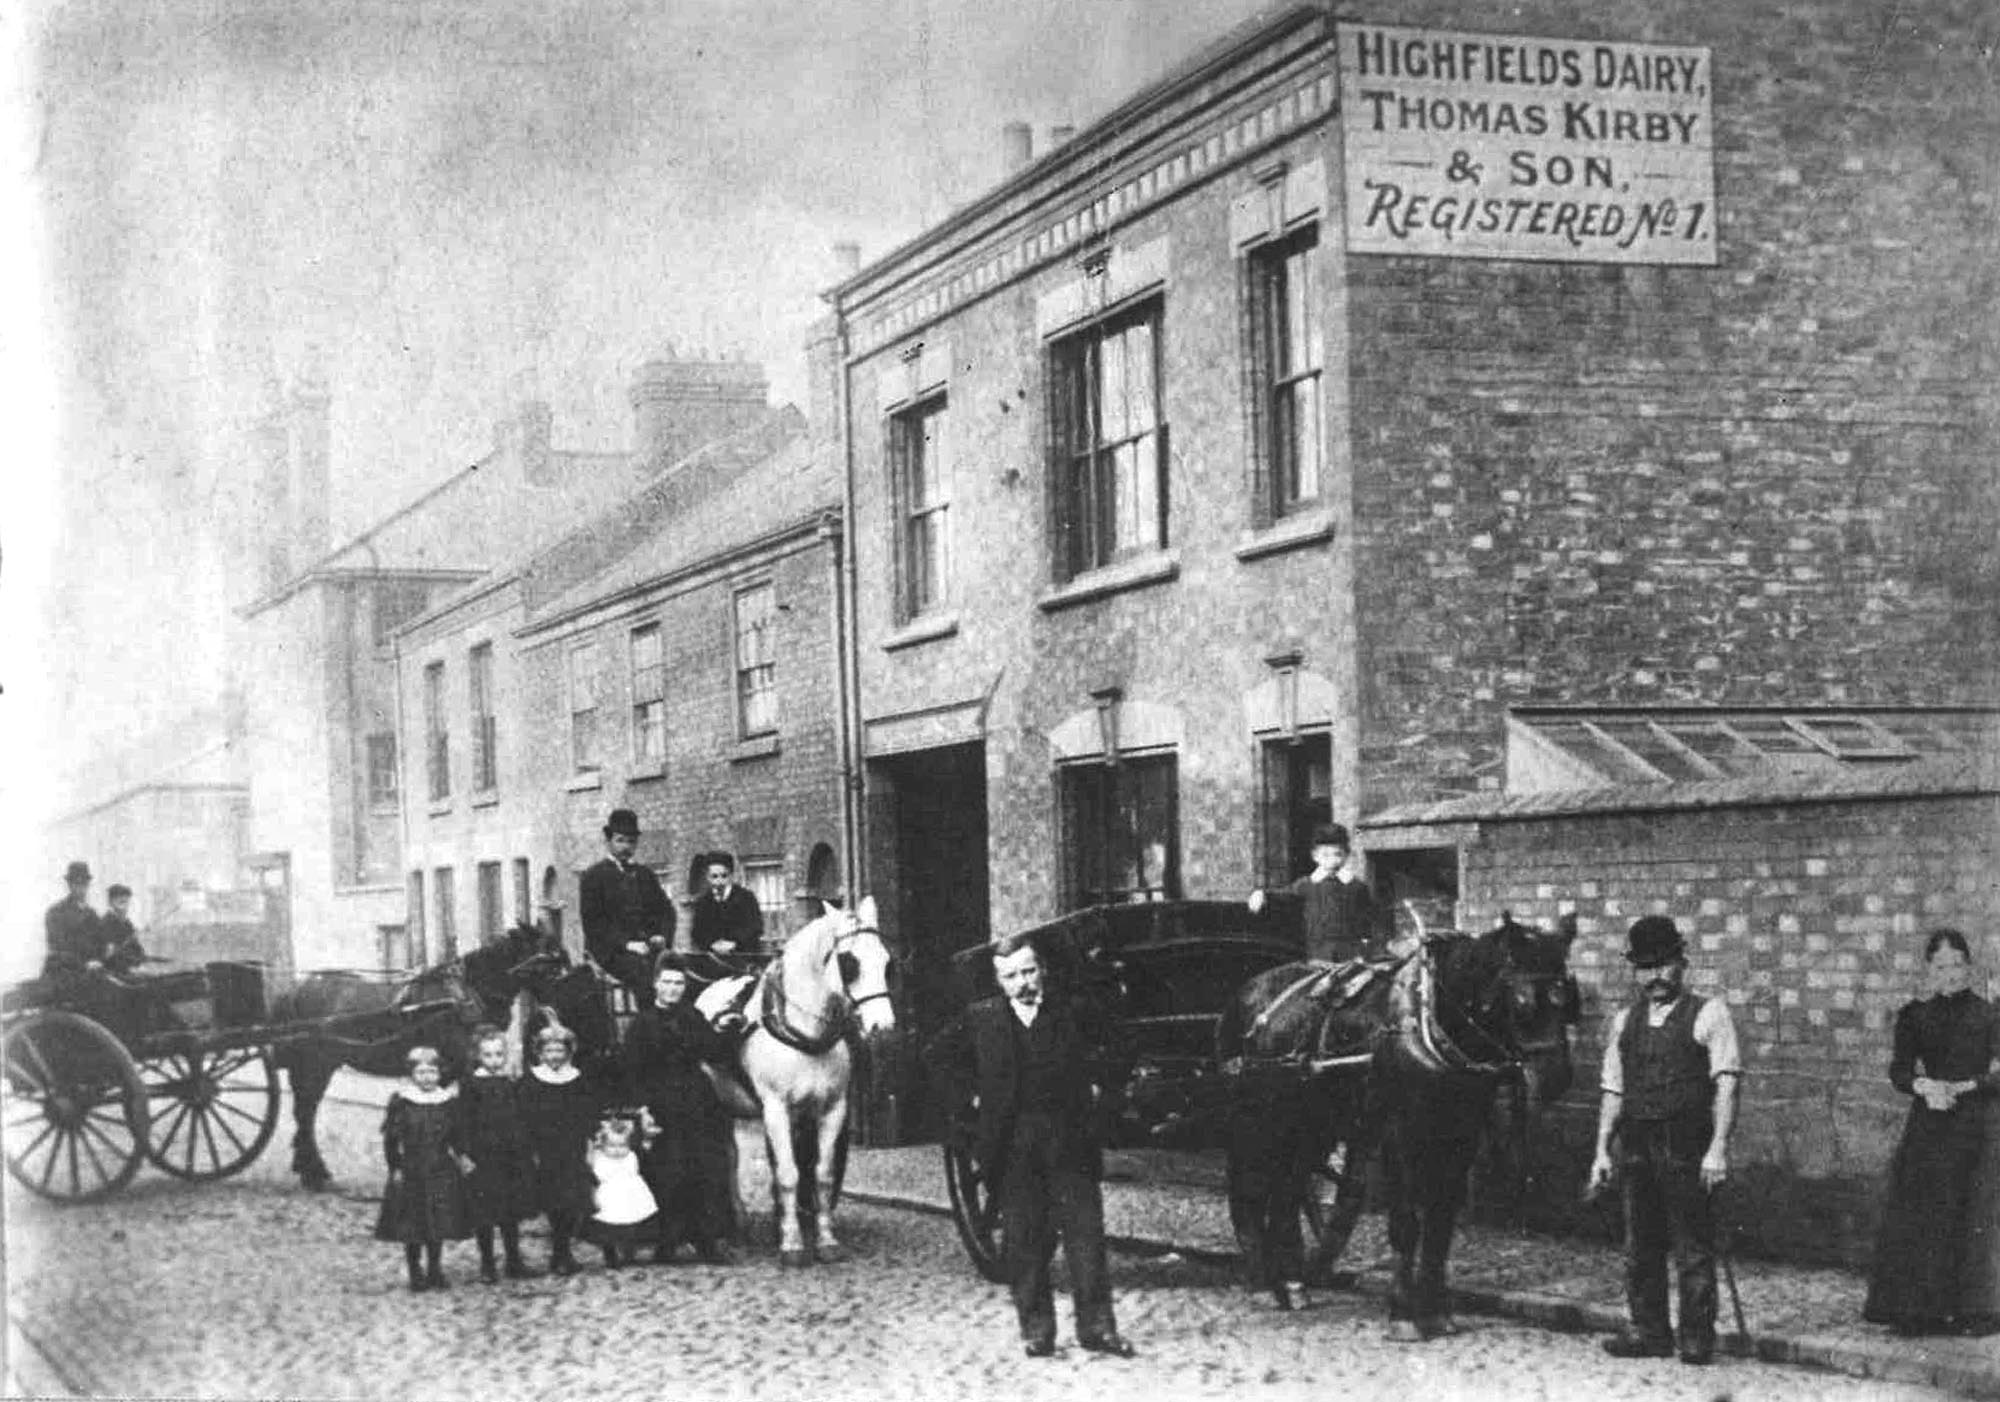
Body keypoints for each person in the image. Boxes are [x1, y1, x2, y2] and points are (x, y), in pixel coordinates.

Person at [926, 932, 1137, 1360]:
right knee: (1024, 1240)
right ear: (998, 981)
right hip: (1012, 1146)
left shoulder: (1072, 1012)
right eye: (1011, 976)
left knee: (1086, 1237)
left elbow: (1122, 1044)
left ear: (1042, 970)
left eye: (1028, 971)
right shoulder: (981, 1019)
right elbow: (937, 1056)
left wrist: (1102, 1088)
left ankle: (1097, 1328)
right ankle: (1037, 1331)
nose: (1023, 983)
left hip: (1070, 1140)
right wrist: (968, 1099)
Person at [1587, 915, 1743, 1366]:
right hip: (1636, 1144)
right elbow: (1613, 1089)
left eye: (1663, 965)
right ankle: (1648, 1331)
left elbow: (1727, 1085)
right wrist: (1601, 1149)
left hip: (1686, 1144)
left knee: (1692, 1246)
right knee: (1640, 1246)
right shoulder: (1625, 1022)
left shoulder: (1709, 1013)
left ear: (1682, 963)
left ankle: (1696, 1338)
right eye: (1644, 967)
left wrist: (1717, 1148)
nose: (1654, 976)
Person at [1863, 928, 2000, 1336]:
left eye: (1957, 965)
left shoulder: (1991, 1015)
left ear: (1969, 967)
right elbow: (1900, 1070)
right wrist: (1924, 1086)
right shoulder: (1916, 1016)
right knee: (1924, 1213)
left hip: (1977, 1125)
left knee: (1973, 1213)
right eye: (1941, 967)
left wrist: (1966, 1087)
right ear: (1929, 970)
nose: (1950, 974)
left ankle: (1975, 1312)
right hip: (1931, 1127)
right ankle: (1917, 1311)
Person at [626, 962, 738, 1263]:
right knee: (667, 1172)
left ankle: (707, 1242)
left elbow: (714, 1052)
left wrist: (727, 1030)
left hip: (696, 1101)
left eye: (678, 983)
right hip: (661, 1103)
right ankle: (667, 1242)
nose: (673, 988)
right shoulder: (642, 1023)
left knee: (705, 1170)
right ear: (656, 985)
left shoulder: (693, 1018)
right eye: (667, 982)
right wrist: (642, 1109)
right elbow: (632, 1070)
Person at [373, 1045, 471, 1292]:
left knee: (437, 1223)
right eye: (421, 1072)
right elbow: (391, 1140)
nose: (427, 1078)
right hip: (412, 1170)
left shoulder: (447, 1102)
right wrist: (395, 1166)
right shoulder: (403, 1102)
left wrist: (463, 1156)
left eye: (432, 1072)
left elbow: (456, 1135)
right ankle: (415, 1271)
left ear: (440, 1074)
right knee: (413, 1225)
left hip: (440, 1169)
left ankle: (435, 1269)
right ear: (412, 1075)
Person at [518, 1025, 600, 1276]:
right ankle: (559, 1251)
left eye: (559, 1050)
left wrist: (589, 1143)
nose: (554, 1056)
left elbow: (588, 1114)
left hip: (572, 1146)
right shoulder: (531, 1080)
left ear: (568, 1052)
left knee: (572, 1199)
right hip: (544, 1148)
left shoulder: (577, 1078)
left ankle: (563, 1251)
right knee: (552, 1200)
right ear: (539, 1052)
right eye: (549, 1051)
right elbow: (523, 1116)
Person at [458, 1026, 537, 1282]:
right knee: (485, 1213)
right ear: (479, 1056)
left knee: (510, 1211)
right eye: (488, 1055)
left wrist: (526, 1150)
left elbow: (522, 1118)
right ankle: (487, 1263)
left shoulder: (511, 1082)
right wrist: (465, 1155)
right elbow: (463, 1122)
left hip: (510, 1156)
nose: (494, 1060)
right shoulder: (471, 1084)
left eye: (498, 1054)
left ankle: (514, 1260)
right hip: (483, 1158)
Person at [1246, 823, 1389, 964]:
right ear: (1315, 856)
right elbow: (1284, 895)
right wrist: (1262, 894)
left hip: (1351, 956)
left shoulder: (1357, 887)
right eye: (1325, 855)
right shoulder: (1307, 885)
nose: (1332, 861)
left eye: (1338, 854)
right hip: (1318, 955)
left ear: (1347, 855)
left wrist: (1365, 946)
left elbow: (1368, 919)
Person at [579, 809, 676, 1006]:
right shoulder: (594, 876)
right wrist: (627, 944)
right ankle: (649, 1026)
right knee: (644, 975)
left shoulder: (645, 874)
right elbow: (594, 925)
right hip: (610, 952)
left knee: (676, 970)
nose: (626, 847)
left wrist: (662, 936)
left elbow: (666, 910)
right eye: (620, 840)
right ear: (609, 840)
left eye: (631, 842)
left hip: (648, 947)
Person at [582, 1114, 660, 1269]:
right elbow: (597, 1176)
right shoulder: (600, 1159)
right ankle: (610, 1252)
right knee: (608, 1226)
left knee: (632, 1222)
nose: (617, 1151)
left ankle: (629, 1250)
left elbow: (636, 1170)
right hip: (610, 1197)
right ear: (603, 1145)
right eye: (612, 1146)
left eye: (622, 1146)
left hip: (630, 1195)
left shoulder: (631, 1157)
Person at [688, 851, 766, 959]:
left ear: (731, 876)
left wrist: (734, 943)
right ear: (708, 877)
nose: (719, 881)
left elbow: (756, 927)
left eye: (724, 876)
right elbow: (697, 932)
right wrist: (712, 944)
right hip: (713, 959)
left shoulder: (746, 897)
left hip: (743, 957)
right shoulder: (703, 902)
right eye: (714, 876)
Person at [43, 861, 102, 980]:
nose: (81, 888)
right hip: (62, 974)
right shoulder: (56, 912)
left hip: (90, 973)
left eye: (84, 884)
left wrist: (99, 959)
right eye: (77, 883)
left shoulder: (92, 914)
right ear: (69, 885)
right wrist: (83, 965)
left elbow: (99, 944)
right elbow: (58, 949)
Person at [100, 885, 148, 974]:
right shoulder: (105, 923)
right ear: (110, 902)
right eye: (120, 901)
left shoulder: (128, 924)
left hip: (130, 972)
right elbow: (108, 956)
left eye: (126, 901)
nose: (124, 905)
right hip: (113, 975)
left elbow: (138, 951)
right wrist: (129, 968)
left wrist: (140, 962)